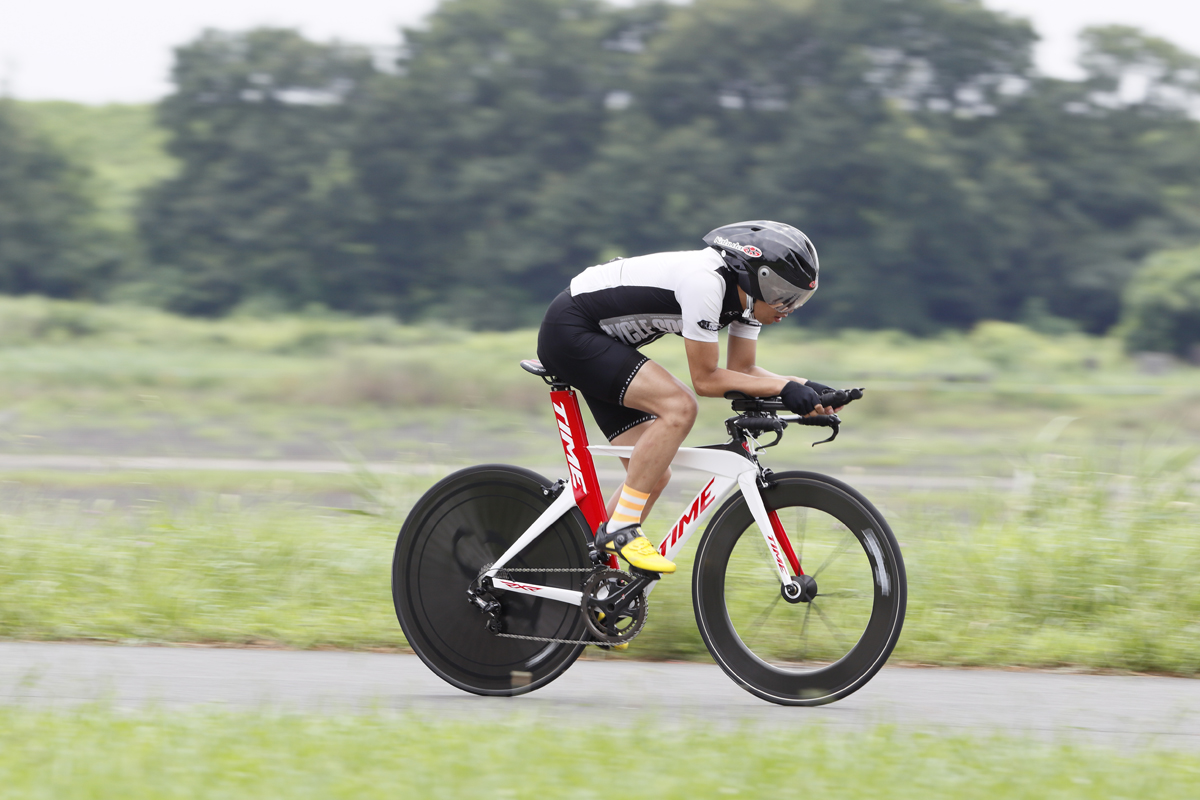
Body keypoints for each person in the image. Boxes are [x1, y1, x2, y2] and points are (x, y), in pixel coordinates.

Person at [536, 220, 835, 574]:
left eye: (798, 300)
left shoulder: (747, 302)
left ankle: (583, 574)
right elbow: (705, 380)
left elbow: (745, 371)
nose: (788, 309)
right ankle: (620, 528)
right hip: (571, 330)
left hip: (603, 343)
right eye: (785, 296)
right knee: (679, 407)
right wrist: (784, 389)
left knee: (650, 472)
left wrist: (809, 387)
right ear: (759, 278)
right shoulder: (705, 282)